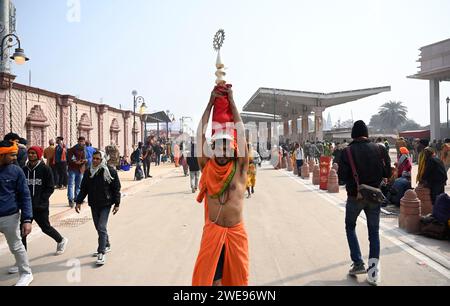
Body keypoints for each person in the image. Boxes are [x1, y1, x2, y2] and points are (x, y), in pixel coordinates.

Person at [192, 87, 249, 286]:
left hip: (235, 233)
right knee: (213, 283)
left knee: (236, 283)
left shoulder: (240, 168)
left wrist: (232, 101)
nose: (222, 151)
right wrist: (210, 103)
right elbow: (200, 135)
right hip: (213, 232)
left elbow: (241, 133)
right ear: (213, 149)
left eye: (226, 146)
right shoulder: (207, 166)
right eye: (218, 147)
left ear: (233, 148)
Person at [338, 120, 391, 286]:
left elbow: (341, 179)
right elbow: (388, 172)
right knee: (373, 233)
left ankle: (358, 263)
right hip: (374, 197)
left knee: (350, 227)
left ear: (353, 134)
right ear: (367, 133)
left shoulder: (346, 152)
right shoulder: (380, 149)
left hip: (355, 196)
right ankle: (373, 274)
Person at [20, 146, 68, 257]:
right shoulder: (24, 169)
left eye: (33, 153)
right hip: (27, 207)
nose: (31, 155)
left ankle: (60, 240)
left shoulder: (45, 169)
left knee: (46, 228)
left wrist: (41, 201)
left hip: (40, 206)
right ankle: (21, 259)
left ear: (38, 155)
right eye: (29, 153)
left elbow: (50, 187)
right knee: (22, 232)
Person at [75, 151, 121, 266]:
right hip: (94, 204)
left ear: (102, 160)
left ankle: (101, 252)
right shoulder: (88, 172)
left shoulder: (110, 172)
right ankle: (106, 244)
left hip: (106, 203)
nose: (94, 161)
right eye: (93, 158)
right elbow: (84, 188)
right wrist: (78, 201)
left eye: (97, 159)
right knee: (99, 227)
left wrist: (117, 204)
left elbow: (116, 188)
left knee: (101, 227)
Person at [0, 141, 34, 286]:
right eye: (12, 155)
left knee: (16, 246)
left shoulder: (16, 171)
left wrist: (27, 219)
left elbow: (25, 195)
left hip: (10, 216)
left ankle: (26, 274)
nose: (15, 158)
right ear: (2, 155)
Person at [67, 137, 88, 208]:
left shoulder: (84, 149)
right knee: (70, 185)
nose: (82, 143)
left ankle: (77, 198)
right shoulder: (72, 149)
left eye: (83, 141)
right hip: (72, 169)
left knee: (78, 185)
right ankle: (70, 199)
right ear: (78, 141)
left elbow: (86, 158)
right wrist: (77, 162)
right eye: (81, 141)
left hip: (81, 169)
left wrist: (85, 161)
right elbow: (70, 160)